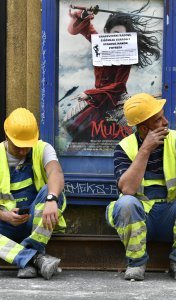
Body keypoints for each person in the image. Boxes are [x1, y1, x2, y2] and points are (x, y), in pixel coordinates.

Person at [106, 93, 176, 282]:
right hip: (142, 219)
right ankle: (136, 263)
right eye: (159, 119)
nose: (166, 121)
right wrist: (145, 149)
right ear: (144, 128)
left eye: (163, 116)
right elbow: (127, 189)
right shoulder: (124, 147)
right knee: (126, 203)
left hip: (171, 215)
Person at [64, 2, 161, 141]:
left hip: (115, 97)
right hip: (96, 98)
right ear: (107, 33)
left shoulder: (126, 57)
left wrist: (90, 93)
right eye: (115, 34)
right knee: (71, 122)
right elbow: (75, 30)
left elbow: (119, 86)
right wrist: (84, 15)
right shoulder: (99, 44)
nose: (119, 39)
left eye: (123, 35)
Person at [0, 108, 67, 279]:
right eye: (18, 147)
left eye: (27, 147)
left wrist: (51, 199)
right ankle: (34, 258)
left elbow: (56, 173)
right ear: (7, 136)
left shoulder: (43, 148)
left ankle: (29, 254)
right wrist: (5, 216)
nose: (23, 151)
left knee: (50, 191)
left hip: (36, 223)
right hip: (6, 225)